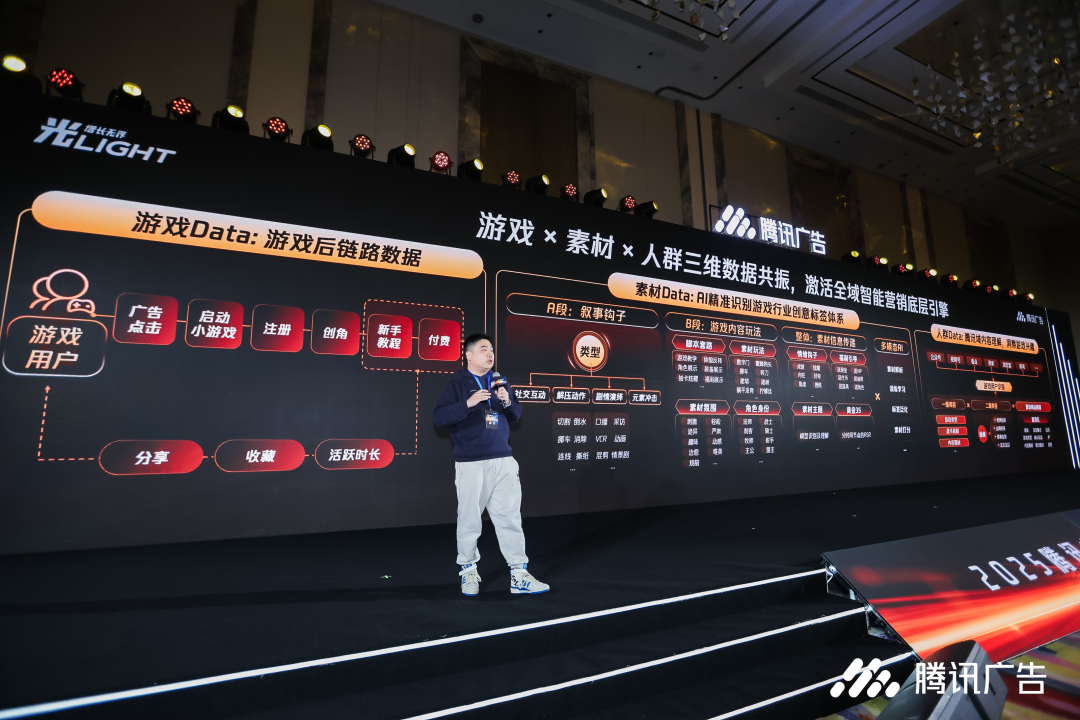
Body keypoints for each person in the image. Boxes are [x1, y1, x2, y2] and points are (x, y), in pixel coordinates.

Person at [433, 333, 550, 597]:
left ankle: (519, 574)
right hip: (471, 463)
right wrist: (468, 403)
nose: (490, 354)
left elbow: (516, 414)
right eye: (484, 349)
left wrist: (507, 401)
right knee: (469, 521)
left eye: (492, 350)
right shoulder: (457, 383)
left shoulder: (499, 381)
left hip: (504, 460)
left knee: (510, 519)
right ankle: (468, 570)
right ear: (469, 355)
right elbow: (439, 417)